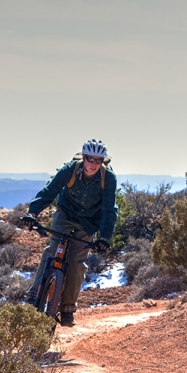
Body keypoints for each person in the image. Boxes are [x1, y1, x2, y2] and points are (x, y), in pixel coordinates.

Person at [18, 139, 117, 326]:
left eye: (99, 160)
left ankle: (67, 309)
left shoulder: (108, 178)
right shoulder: (70, 170)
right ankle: (34, 293)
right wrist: (32, 213)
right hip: (65, 213)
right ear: (83, 157)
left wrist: (104, 236)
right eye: (90, 159)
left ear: (103, 161)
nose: (94, 164)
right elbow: (49, 191)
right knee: (52, 250)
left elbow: (109, 209)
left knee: (77, 262)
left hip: (88, 222)